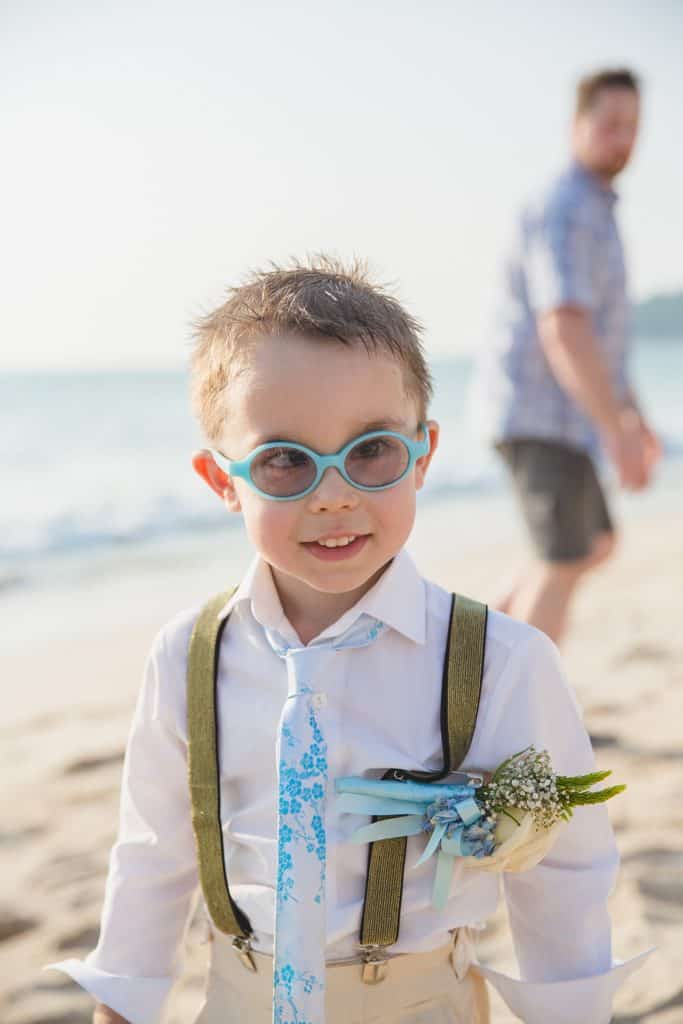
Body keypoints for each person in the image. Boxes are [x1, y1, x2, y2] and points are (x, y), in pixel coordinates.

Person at [47, 259, 649, 1023]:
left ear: (423, 454)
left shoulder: (499, 660)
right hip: (237, 999)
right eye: (283, 460)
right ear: (221, 479)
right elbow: (153, 853)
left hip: (417, 1002)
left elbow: (563, 871)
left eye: (370, 450)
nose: (333, 494)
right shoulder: (188, 657)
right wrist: (122, 1002)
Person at [471, 68, 661, 645]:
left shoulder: (598, 209)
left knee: (591, 546)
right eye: (609, 124)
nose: (622, 137)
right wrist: (615, 428)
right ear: (577, 125)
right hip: (538, 414)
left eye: (632, 126)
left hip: (562, 420)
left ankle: (472, 659)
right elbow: (565, 327)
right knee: (561, 560)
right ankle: (517, 718)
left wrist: (634, 416)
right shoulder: (568, 208)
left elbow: (603, 338)